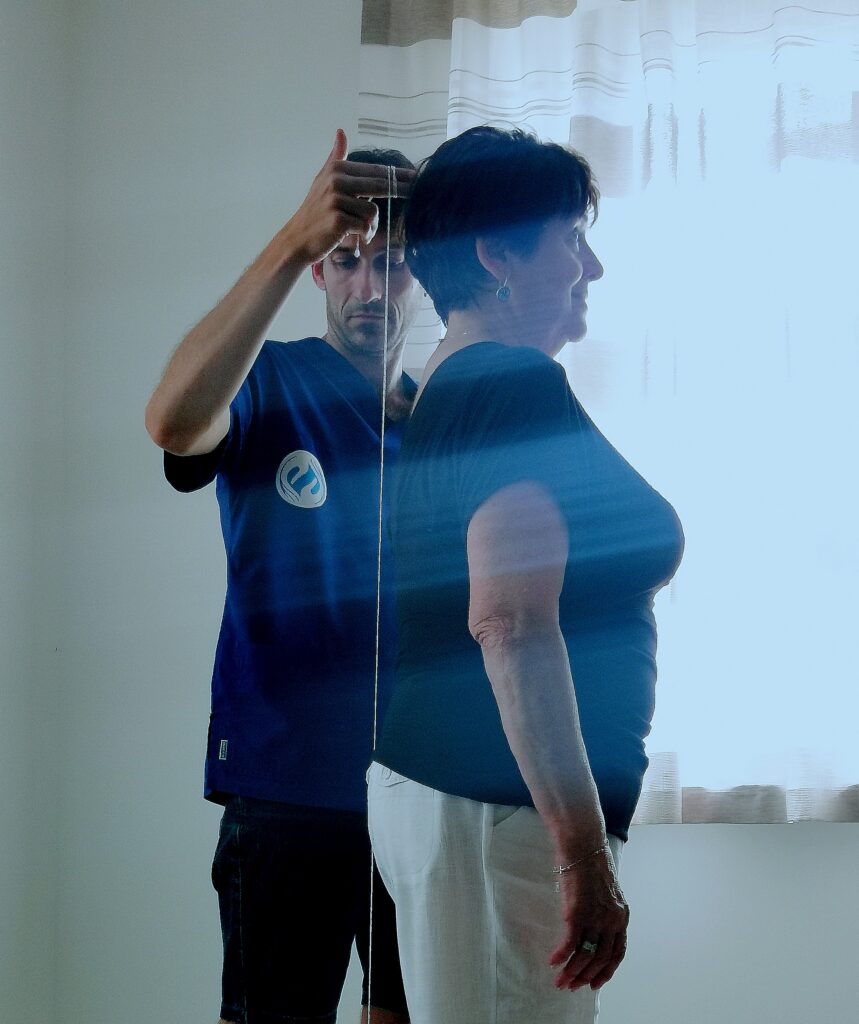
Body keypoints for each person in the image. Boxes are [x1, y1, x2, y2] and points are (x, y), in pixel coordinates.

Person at [367, 126, 685, 1024]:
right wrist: (580, 854)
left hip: (482, 808)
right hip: (494, 810)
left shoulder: (456, 385)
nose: (591, 268)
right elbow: (507, 622)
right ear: (496, 254)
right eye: (570, 239)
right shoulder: (508, 385)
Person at [145, 129, 420, 1024]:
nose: (368, 287)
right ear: (318, 272)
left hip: (422, 795)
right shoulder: (268, 379)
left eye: (394, 265)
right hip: (287, 789)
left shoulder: (447, 412)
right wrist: (294, 235)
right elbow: (172, 423)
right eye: (346, 260)